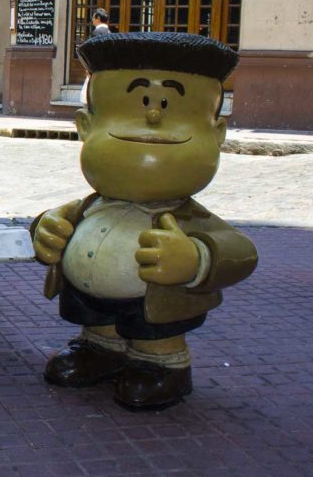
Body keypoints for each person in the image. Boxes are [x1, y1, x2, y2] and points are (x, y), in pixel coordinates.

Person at [32, 32, 257, 410]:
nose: (153, 115)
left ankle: (162, 365)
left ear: (217, 134)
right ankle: (99, 348)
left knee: (154, 334)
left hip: (156, 305)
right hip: (88, 299)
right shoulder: (90, 205)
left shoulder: (189, 217)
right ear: (85, 127)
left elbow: (241, 252)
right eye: (136, 104)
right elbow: (57, 219)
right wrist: (45, 228)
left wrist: (196, 258)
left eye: (169, 105)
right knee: (97, 319)